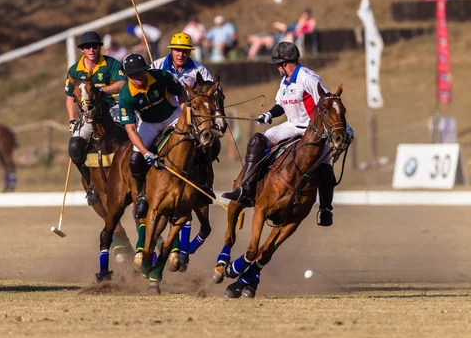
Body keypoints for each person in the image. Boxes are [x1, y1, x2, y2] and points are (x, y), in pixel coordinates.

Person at [222, 42, 353, 227]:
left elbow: (326, 103)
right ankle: (244, 188)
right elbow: (281, 105)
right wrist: (269, 114)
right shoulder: (286, 80)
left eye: (278, 63)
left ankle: (325, 209)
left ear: (286, 63)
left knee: (325, 168)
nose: (276, 67)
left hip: (312, 131)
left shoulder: (308, 78)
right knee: (256, 141)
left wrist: (340, 129)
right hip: (292, 126)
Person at [151, 32, 222, 203]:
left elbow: (212, 91)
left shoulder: (198, 69)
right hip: (161, 114)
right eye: (177, 50)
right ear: (172, 50)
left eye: (184, 51)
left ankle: (203, 184)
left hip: (189, 117)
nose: (180, 54)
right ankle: (141, 189)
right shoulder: (158, 65)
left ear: (189, 52)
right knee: (143, 148)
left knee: (211, 144)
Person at [118, 53, 187, 218]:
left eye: (141, 72)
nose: (139, 76)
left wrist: (185, 116)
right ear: (128, 76)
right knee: (135, 158)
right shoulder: (125, 95)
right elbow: (131, 130)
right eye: (134, 74)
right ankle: (141, 194)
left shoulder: (161, 76)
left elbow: (182, 93)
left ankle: (204, 181)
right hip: (149, 124)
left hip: (173, 116)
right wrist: (145, 152)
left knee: (195, 140)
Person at [65, 31, 127, 205]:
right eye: (87, 47)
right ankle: (91, 184)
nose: (92, 50)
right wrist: (71, 121)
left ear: (99, 47)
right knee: (75, 146)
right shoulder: (74, 70)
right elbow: (70, 97)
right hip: (87, 114)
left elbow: (122, 83)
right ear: (82, 50)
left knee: (131, 135)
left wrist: (100, 90)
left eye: (95, 46)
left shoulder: (110, 63)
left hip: (112, 108)